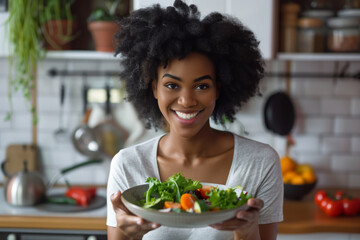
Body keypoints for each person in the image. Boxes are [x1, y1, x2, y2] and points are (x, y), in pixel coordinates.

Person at [106, 0, 283, 239]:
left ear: (218, 90)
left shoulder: (260, 163)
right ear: (154, 88)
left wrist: (247, 229)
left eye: (201, 85)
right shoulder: (128, 166)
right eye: (171, 85)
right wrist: (128, 236)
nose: (187, 100)